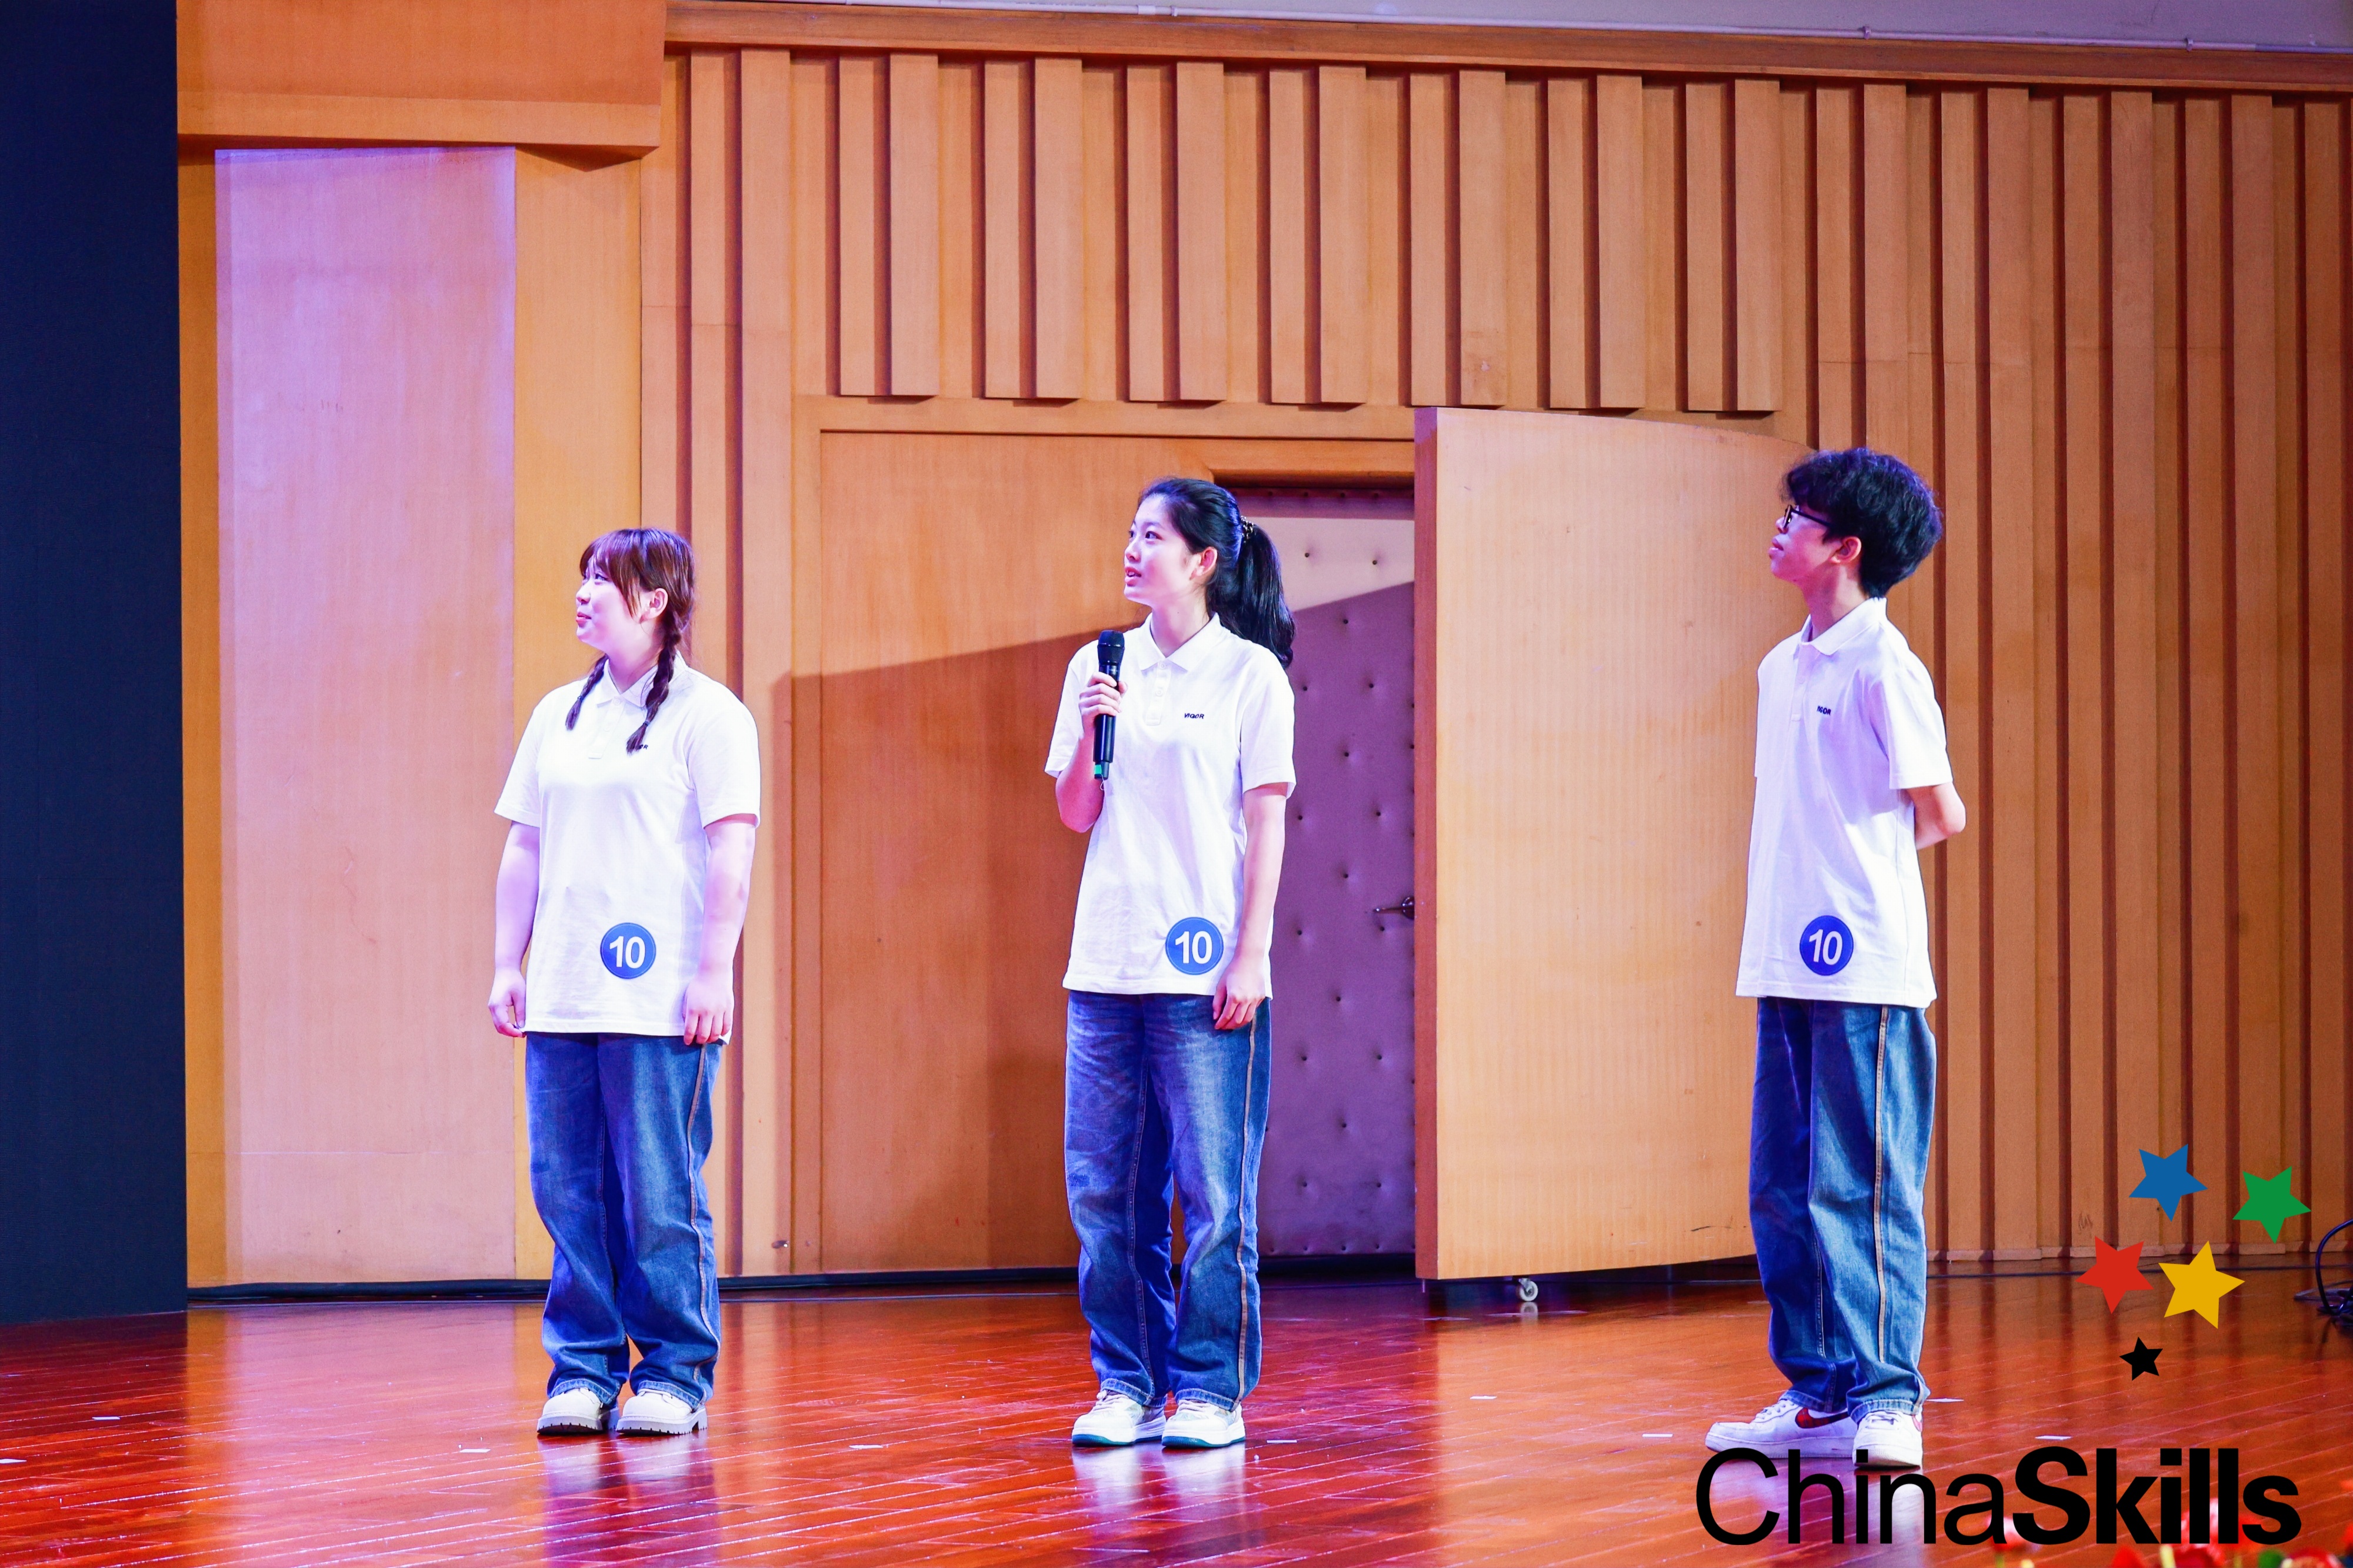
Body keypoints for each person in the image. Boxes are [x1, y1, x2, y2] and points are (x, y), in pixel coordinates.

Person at [1705, 449, 1965, 1474]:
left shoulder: (1886, 668)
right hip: (1783, 959)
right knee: (1783, 1185)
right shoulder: (1782, 665)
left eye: (1797, 516)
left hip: (1865, 969)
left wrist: (1860, 879)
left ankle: (1889, 1395)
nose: (1779, 527)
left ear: (1844, 549)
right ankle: (1817, 1392)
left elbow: (1941, 812)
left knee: (1862, 1185)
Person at [487, 528, 760, 1439]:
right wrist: (508, 961)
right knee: (569, 1189)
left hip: (659, 999)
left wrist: (713, 972)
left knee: (658, 1192)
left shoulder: (710, 716)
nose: (585, 593)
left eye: (603, 580)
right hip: (567, 995)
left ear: (654, 601)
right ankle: (585, 1368)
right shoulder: (558, 714)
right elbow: (524, 844)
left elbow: (732, 849)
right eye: (585, 577)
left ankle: (675, 1372)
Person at [1046, 478, 1297, 1451]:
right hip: (1107, 965)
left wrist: (1252, 953)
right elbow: (1077, 810)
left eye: (1152, 535)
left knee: (1215, 1196)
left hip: (1205, 972)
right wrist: (1091, 731)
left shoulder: (1250, 675)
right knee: (1107, 1196)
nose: (1132, 548)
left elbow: (1266, 823)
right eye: (1130, 531)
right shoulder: (1098, 664)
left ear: (1201, 561)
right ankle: (1128, 1382)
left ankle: (1210, 1390)